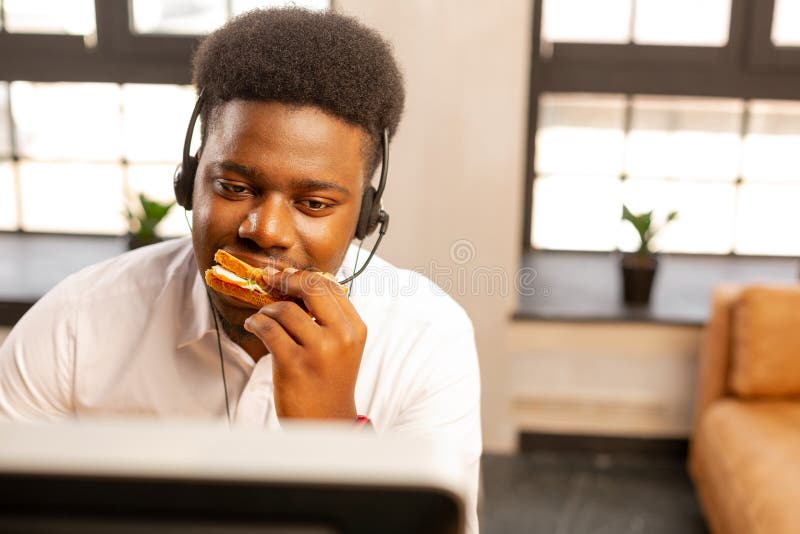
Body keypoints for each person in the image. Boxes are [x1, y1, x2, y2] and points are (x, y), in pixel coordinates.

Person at [0, 7, 481, 532]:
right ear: (189, 183)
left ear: (365, 219)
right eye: (234, 188)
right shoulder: (74, 326)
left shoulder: (430, 340)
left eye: (315, 203)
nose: (266, 230)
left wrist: (334, 433)